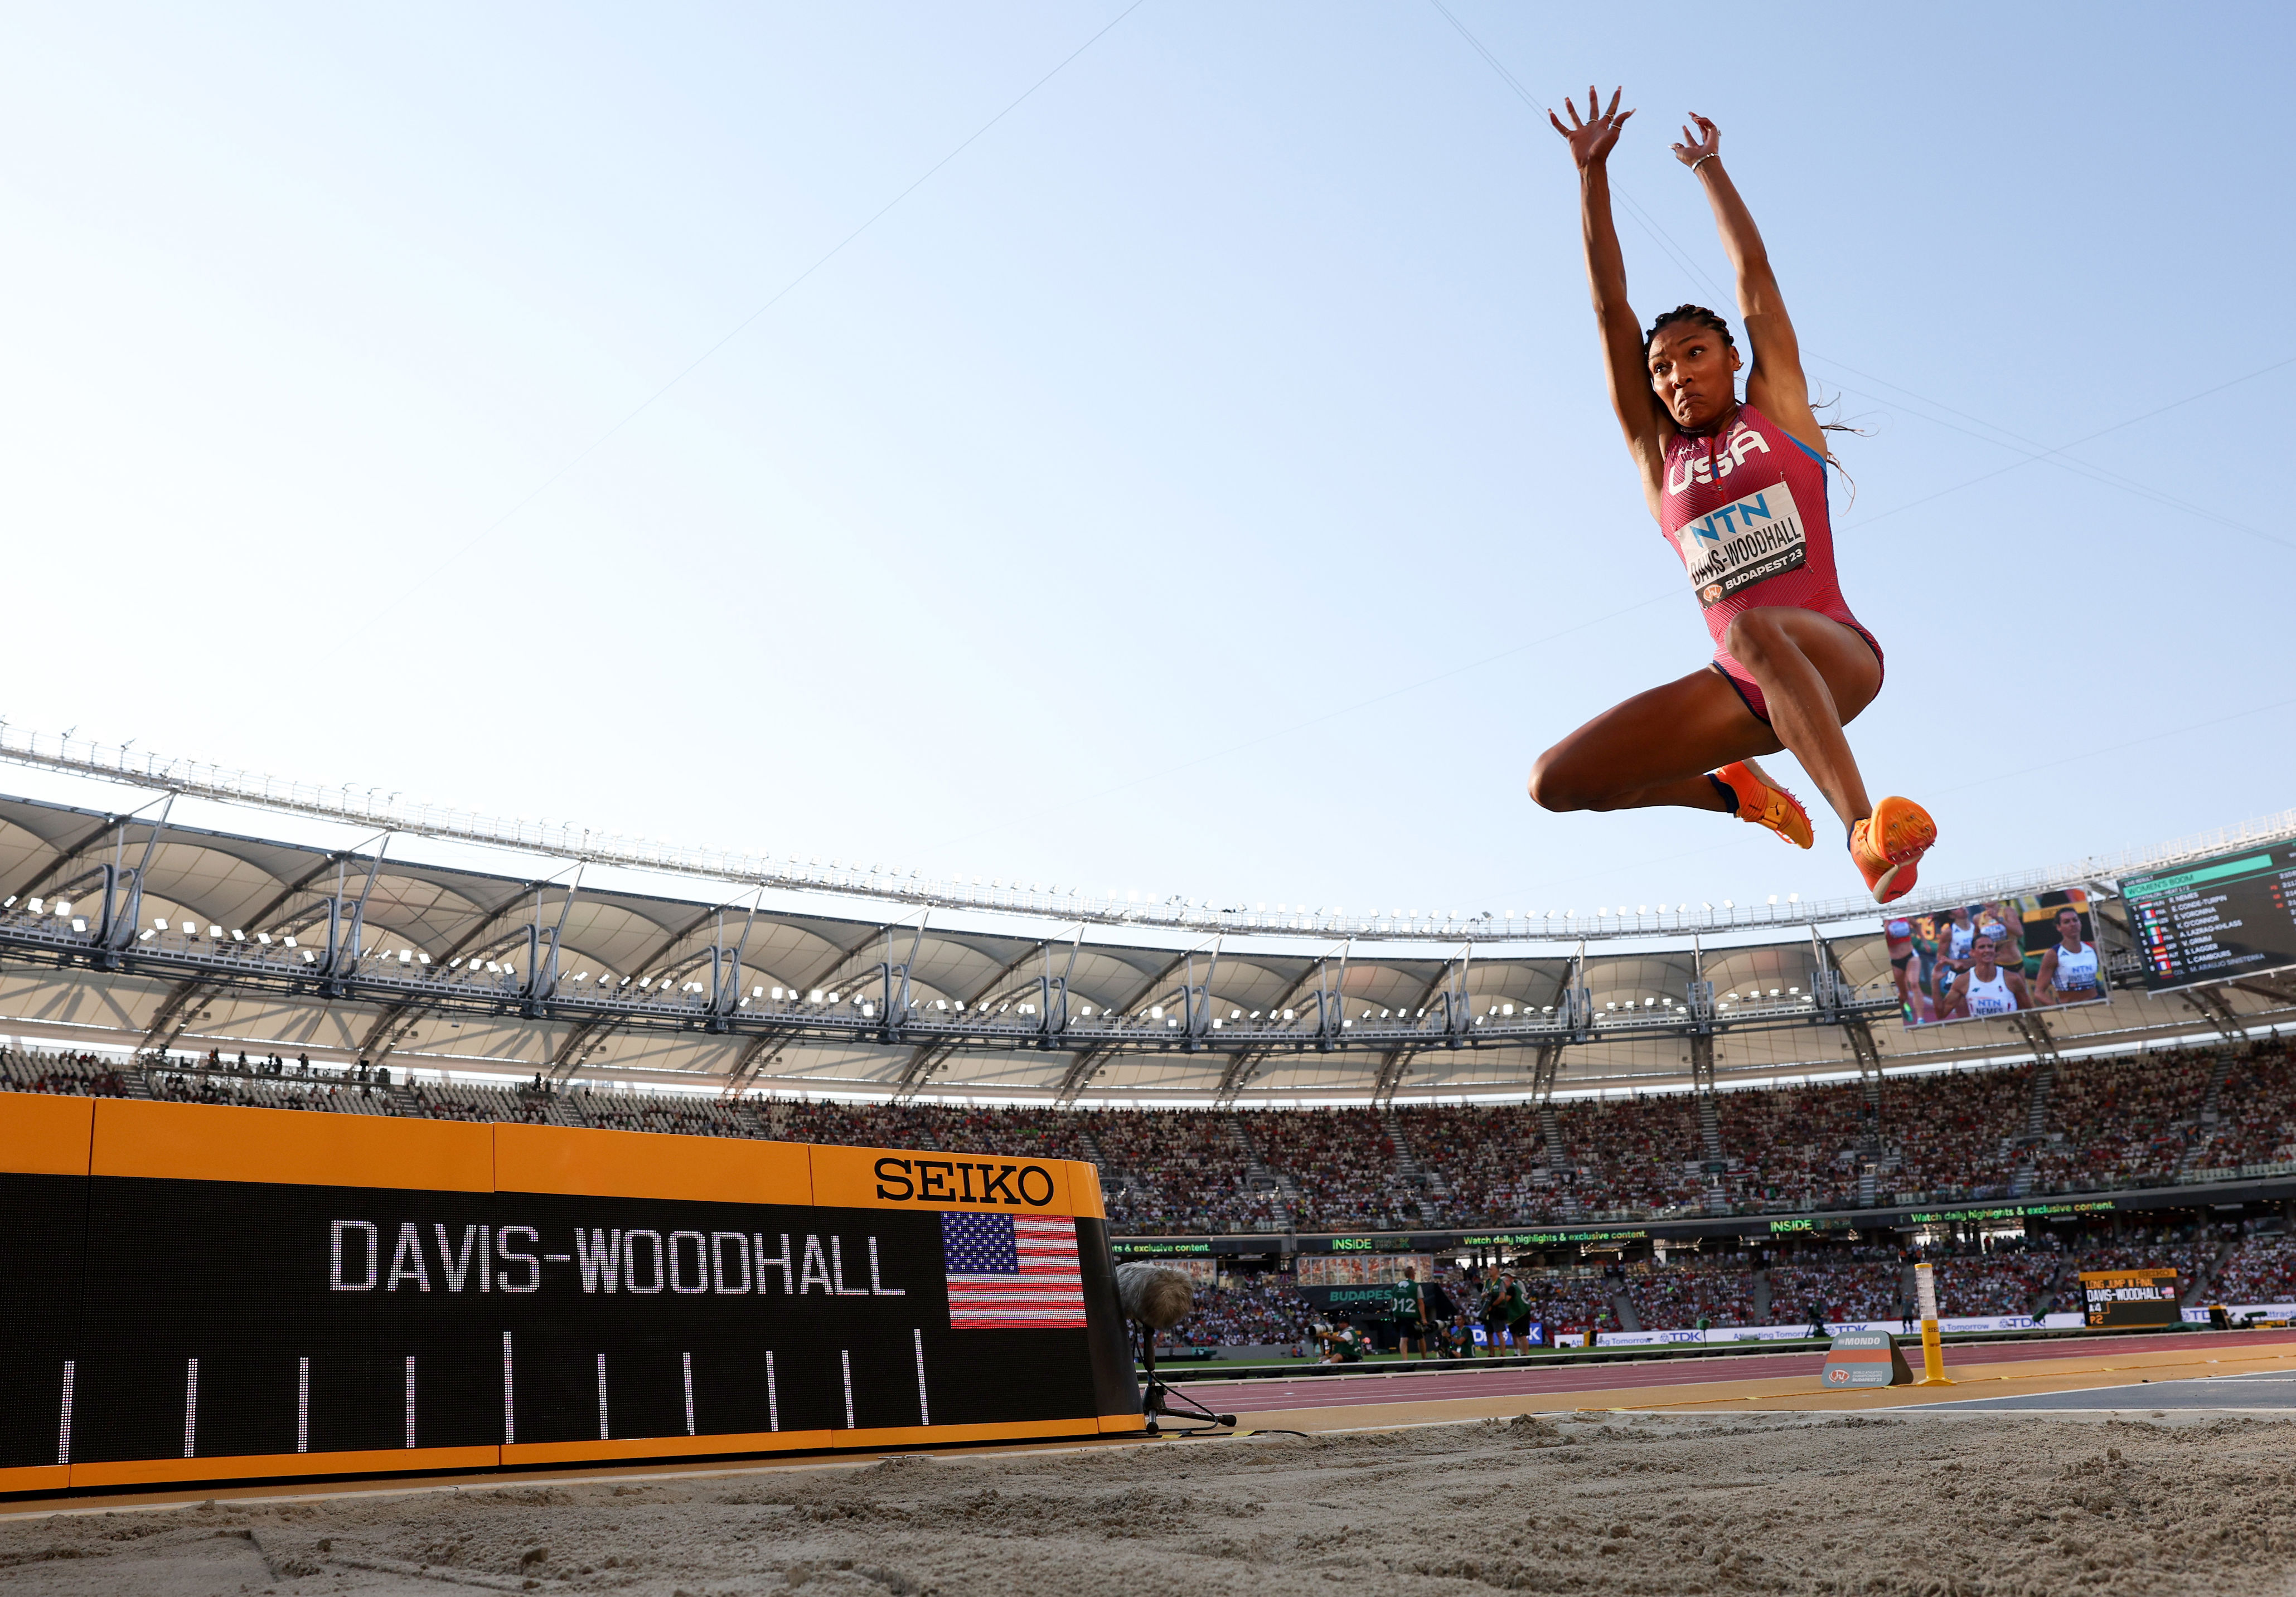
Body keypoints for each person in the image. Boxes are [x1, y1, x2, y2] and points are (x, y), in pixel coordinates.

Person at [1531, 91, 1936, 903]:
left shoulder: (1776, 412)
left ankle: (1863, 834)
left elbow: (1754, 281)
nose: (1678, 373)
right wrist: (1589, 177)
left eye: (1695, 353)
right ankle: (1733, 793)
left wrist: (1710, 170)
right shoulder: (1657, 456)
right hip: (1743, 692)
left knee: (1752, 625)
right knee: (1560, 781)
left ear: (1727, 357)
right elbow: (1610, 310)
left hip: (1832, 656)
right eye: (1662, 367)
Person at [1940, 935, 2031, 1020]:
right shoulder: (1963, 981)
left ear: (1995, 951)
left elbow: (2029, 1012)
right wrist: (1935, 982)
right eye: (1982, 947)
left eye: (1990, 947)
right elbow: (1941, 1014)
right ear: (1972, 952)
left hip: (2009, 1033)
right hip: (1982, 1034)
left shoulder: (2012, 979)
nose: (1987, 950)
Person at [2035, 904, 2103, 1007]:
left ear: (2080, 923)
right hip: (2072, 1008)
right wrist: (2058, 1009)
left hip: (2096, 1002)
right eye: (2067, 922)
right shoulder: (2053, 954)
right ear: (2059, 927)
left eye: (2075, 920)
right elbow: (2038, 993)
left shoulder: (2093, 947)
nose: (2072, 924)